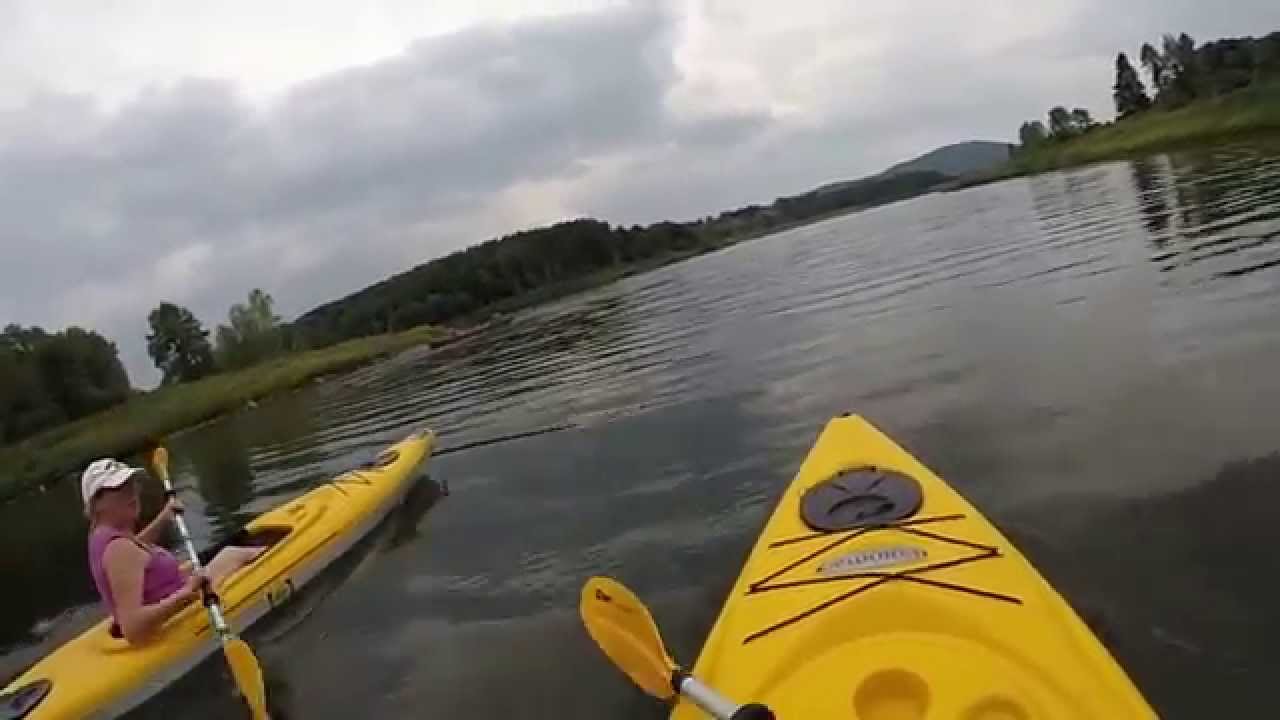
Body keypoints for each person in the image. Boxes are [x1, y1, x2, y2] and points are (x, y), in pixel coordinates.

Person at [82, 458, 263, 644]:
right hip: (182, 613)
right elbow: (133, 629)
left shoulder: (102, 535)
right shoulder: (118, 550)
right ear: (97, 502)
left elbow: (134, 552)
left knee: (229, 553)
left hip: (179, 593)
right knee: (234, 554)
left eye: (131, 485)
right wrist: (188, 592)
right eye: (119, 488)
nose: (131, 493)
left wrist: (164, 518)